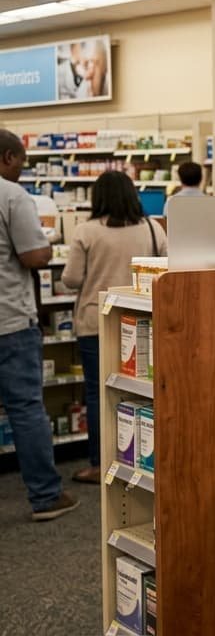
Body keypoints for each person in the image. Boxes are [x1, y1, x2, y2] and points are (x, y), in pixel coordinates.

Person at [62, 171, 168, 483]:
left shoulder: (87, 231)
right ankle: (144, 457)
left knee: (98, 394)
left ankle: (100, 464)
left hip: (96, 322)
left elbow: (70, 279)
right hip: (144, 321)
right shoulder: (152, 228)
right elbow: (168, 269)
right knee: (145, 392)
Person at [0, 129, 79, 520]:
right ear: (8, 157)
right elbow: (33, 256)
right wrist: (47, 246)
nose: (22, 168)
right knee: (26, 408)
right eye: (21, 161)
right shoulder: (12, 195)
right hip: (10, 321)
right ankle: (46, 497)